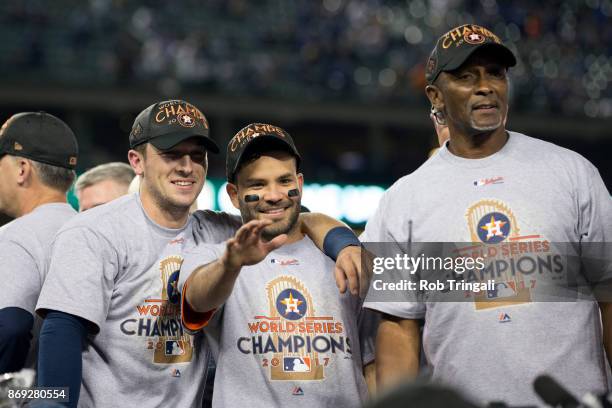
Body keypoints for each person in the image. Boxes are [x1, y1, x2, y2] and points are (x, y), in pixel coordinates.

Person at [36, 101, 364, 407]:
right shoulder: (95, 231)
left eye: (197, 155)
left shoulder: (220, 230)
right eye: (171, 154)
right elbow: (60, 333)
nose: (187, 167)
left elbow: (298, 218)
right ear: (137, 161)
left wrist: (344, 243)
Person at [362, 24, 612, 406]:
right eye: (466, 77)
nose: (486, 86)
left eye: (495, 73)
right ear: (436, 96)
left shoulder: (572, 172)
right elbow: (399, 327)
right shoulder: (403, 199)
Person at [179, 123, 376, 407]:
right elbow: (196, 298)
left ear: (300, 184)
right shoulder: (214, 257)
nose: (274, 195)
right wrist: (231, 265)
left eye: (284, 181)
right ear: (234, 195)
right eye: (257, 184)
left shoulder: (345, 257)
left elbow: (374, 362)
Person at [0, 112, 78, 374]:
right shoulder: (92, 231)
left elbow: (11, 327)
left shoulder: (16, 236)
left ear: (22, 169)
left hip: (28, 397)